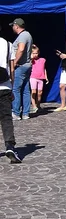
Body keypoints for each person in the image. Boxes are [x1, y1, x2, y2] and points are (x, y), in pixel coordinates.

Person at [10, 18, 33, 121]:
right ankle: (26, 113)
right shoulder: (27, 34)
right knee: (25, 90)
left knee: (16, 89)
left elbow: (21, 49)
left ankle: (16, 112)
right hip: (27, 65)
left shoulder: (23, 36)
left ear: (16, 26)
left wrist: (14, 63)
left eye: (13, 26)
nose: (12, 28)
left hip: (21, 65)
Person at [0, 34, 18, 163]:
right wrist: (11, 86)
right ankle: (9, 146)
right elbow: (12, 68)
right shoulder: (8, 44)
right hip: (4, 85)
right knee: (6, 118)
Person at [28, 45, 47, 115]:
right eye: (33, 53)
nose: (35, 55)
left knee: (40, 92)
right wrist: (31, 57)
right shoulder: (31, 61)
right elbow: (29, 62)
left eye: (36, 53)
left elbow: (44, 69)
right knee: (33, 91)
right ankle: (34, 106)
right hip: (33, 77)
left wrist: (46, 77)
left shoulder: (42, 60)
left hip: (41, 78)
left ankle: (38, 105)